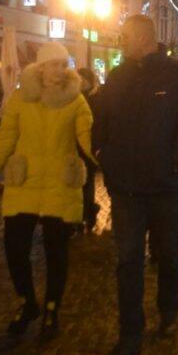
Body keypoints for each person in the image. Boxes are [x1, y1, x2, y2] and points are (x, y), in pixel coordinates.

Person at [92, 15, 178, 355]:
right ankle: (130, 332)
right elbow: (100, 119)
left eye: (125, 35)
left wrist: (177, 159)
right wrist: (103, 152)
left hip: (166, 187)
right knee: (128, 259)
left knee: (169, 253)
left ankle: (168, 311)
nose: (120, 40)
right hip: (126, 186)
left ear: (143, 37)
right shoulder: (118, 76)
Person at [0, 42, 92, 342]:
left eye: (64, 64)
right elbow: (3, 143)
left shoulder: (76, 101)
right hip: (24, 182)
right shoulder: (21, 99)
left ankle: (51, 308)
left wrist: (115, 163)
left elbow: (89, 142)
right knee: (14, 248)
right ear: (40, 68)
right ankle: (27, 302)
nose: (60, 71)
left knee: (56, 252)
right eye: (54, 64)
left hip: (60, 185)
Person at [77, 68, 101, 234]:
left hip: (90, 147)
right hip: (75, 147)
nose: (81, 81)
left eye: (83, 78)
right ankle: (79, 216)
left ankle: (89, 213)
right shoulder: (74, 97)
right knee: (78, 184)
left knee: (88, 183)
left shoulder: (96, 98)